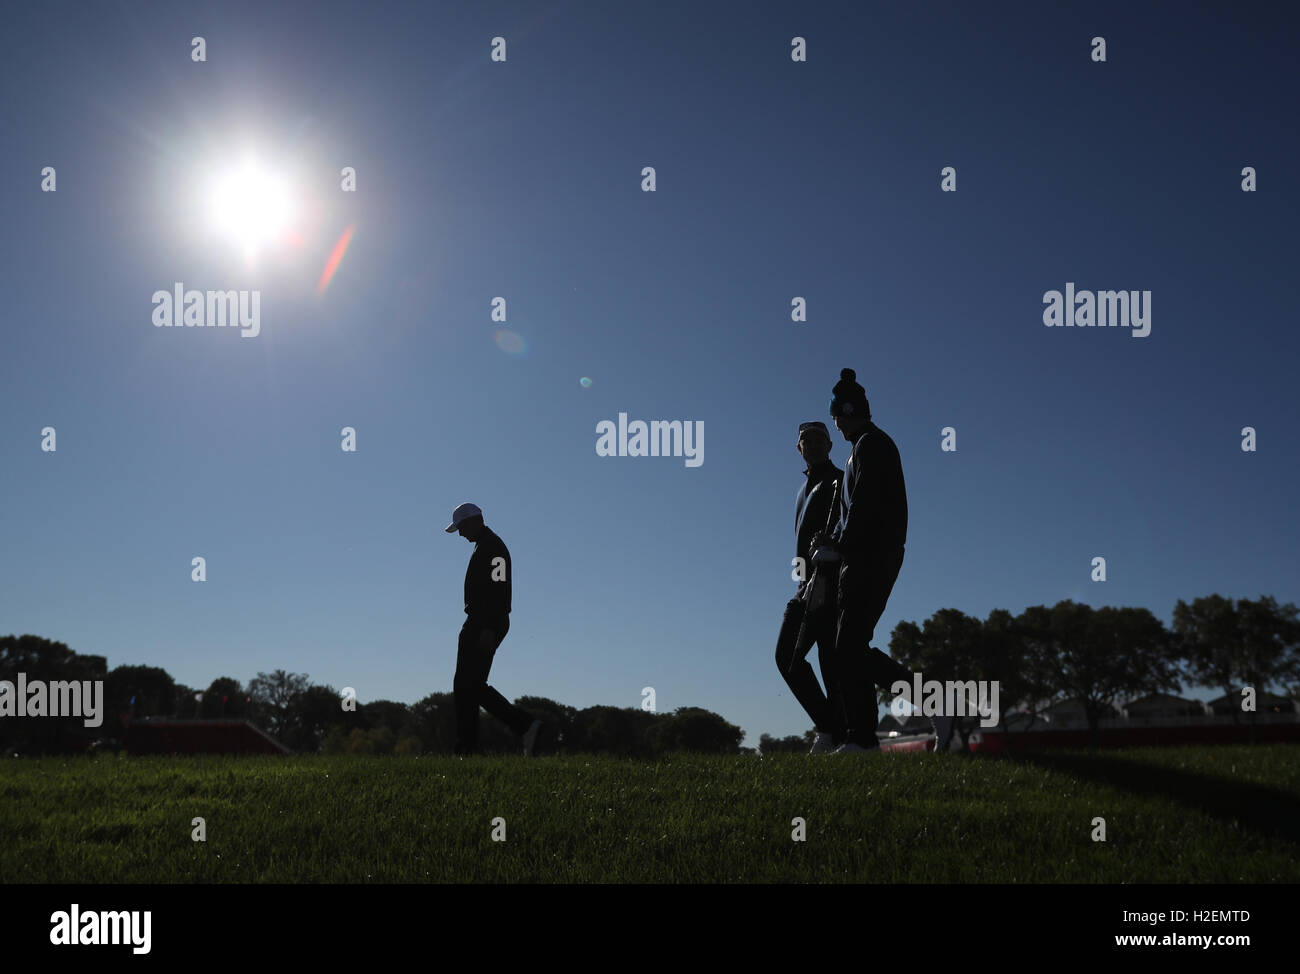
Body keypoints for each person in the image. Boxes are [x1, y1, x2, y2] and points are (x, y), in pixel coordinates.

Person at [819, 369, 957, 754]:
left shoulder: (872, 446)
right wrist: (834, 540)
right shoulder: (862, 448)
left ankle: (918, 711)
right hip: (860, 556)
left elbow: (864, 507)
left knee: (848, 647)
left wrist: (840, 544)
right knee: (850, 648)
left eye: (836, 417)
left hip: (871, 557)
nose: (836, 424)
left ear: (847, 413)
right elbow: (853, 511)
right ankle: (864, 739)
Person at [445, 503, 543, 756]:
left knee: (469, 684)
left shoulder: (493, 548)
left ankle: (524, 725)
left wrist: (488, 626)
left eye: (462, 528)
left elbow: (499, 590)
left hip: (484, 622)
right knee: (468, 685)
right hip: (483, 621)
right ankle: (468, 747)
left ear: (475, 521)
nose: (461, 534)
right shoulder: (486, 546)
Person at [774, 422, 847, 754]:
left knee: (829, 663)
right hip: (805, 584)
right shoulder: (803, 489)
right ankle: (832, 730)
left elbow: (849, 525)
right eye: (807, 440)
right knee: (790, 658)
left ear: (830, 445)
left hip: (831, 582)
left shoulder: (839, 481)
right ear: (798, 448)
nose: (813, 445)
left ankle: (836, 734)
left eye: (820, 439)